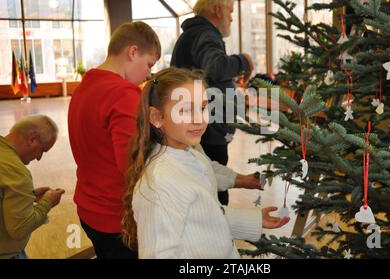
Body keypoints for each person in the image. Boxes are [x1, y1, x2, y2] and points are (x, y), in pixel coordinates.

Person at [122, 68, 289, 258]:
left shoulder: (192, 153)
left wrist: (254, 220)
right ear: (157, 118)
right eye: (185, 110)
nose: (199, 119)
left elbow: (208, 215)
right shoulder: (160, 183)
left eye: (202, 108)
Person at [68, 21, 161, 259]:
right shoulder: (123, 93)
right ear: (132, 52)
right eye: (149, 63)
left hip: (89, 207)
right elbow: (132, 166)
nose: (149, 73)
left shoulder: (85, 86)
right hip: (115, 217)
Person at [170, 0, 256, 205]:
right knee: (214, 188)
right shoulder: (206, 34)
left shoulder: (194, 34)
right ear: (218, 10)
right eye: (230, 12)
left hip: (198, 126)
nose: (231, 18)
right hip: (207, 130)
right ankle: (218, 231)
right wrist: (244, 60)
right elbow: (216, 67)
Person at [0, 115, 65, 259]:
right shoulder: (17, 172)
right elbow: (20, 228)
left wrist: (27, 196)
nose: (39, 158)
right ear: (33, 139)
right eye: (42, 150)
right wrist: (47, 203)